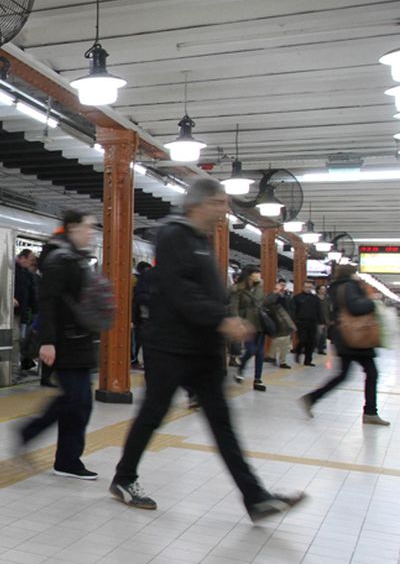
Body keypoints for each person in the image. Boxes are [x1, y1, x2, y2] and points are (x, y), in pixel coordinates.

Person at [111, 178, 306, 521]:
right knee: (152, 415)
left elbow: (204, 293)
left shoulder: (200, 241)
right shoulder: (173, 236)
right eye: (218, 202)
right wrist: (223, 320)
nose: (223, 210)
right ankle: (124, 478)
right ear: (197, 203)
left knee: (222, 424)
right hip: (169, 347)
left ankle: (255, 497)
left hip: (200, 349)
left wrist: (222, 324)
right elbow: (180, 291)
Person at [16, 210, 100, 480]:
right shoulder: (58, 259)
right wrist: (48, 342)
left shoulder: (75, 257)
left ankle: (67, 459)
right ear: (72, 228)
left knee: (79, 402)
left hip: (79, 340)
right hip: (65, 342)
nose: (92, 232)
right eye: (88, 227)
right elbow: (48, 303)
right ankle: (41, 440)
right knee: (76, 400)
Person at [301, 266, 389, 426]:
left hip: (344, 336)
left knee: (344, 375)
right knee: (371, 373)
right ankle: (370, 412)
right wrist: (372, 301)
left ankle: (312, 398)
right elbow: (355, 308)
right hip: (355, 337)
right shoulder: (349, 286)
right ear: (351, 273)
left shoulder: (335, 287)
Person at [230, 266, 268, 392]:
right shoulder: (238, 289)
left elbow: (263, 303)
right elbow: (234, 307)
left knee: (260, 353)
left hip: (260, 324)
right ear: (249, 275)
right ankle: (241, 367)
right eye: (256, 273)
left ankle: (258, 379)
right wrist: (237, 321)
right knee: (251, 350)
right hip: (246, 324)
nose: (258, 275)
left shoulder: (259, 288)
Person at [14, 249, 39, 373]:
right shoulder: (13, 270)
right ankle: (13, 369)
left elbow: (31, 294)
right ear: (22, 258)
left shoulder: (25, 273)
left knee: (20, 340)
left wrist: (35, 311)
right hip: (13, 313)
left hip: (22, 313)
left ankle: (17, 366)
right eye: (30, 260)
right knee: (15, 340)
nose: (31, 263)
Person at [291, 281, 322, 366]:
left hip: (312, 322)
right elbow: (293, 310)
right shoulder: (297, 298)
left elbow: (319, 310)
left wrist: (321, 321)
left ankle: (308, 360)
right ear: (302, 287)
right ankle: (298, 350)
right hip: (301, 322)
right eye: (306, 287)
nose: (308, 289)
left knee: (311, 342)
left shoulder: (315, 299)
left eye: (309, 287)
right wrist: (293, 321)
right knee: (303, 339)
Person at [131, 262, 154, 368]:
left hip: (144, 317)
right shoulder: (143, 280)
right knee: (142, 341)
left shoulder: (142, 280)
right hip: (144, 318)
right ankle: (136, 361)